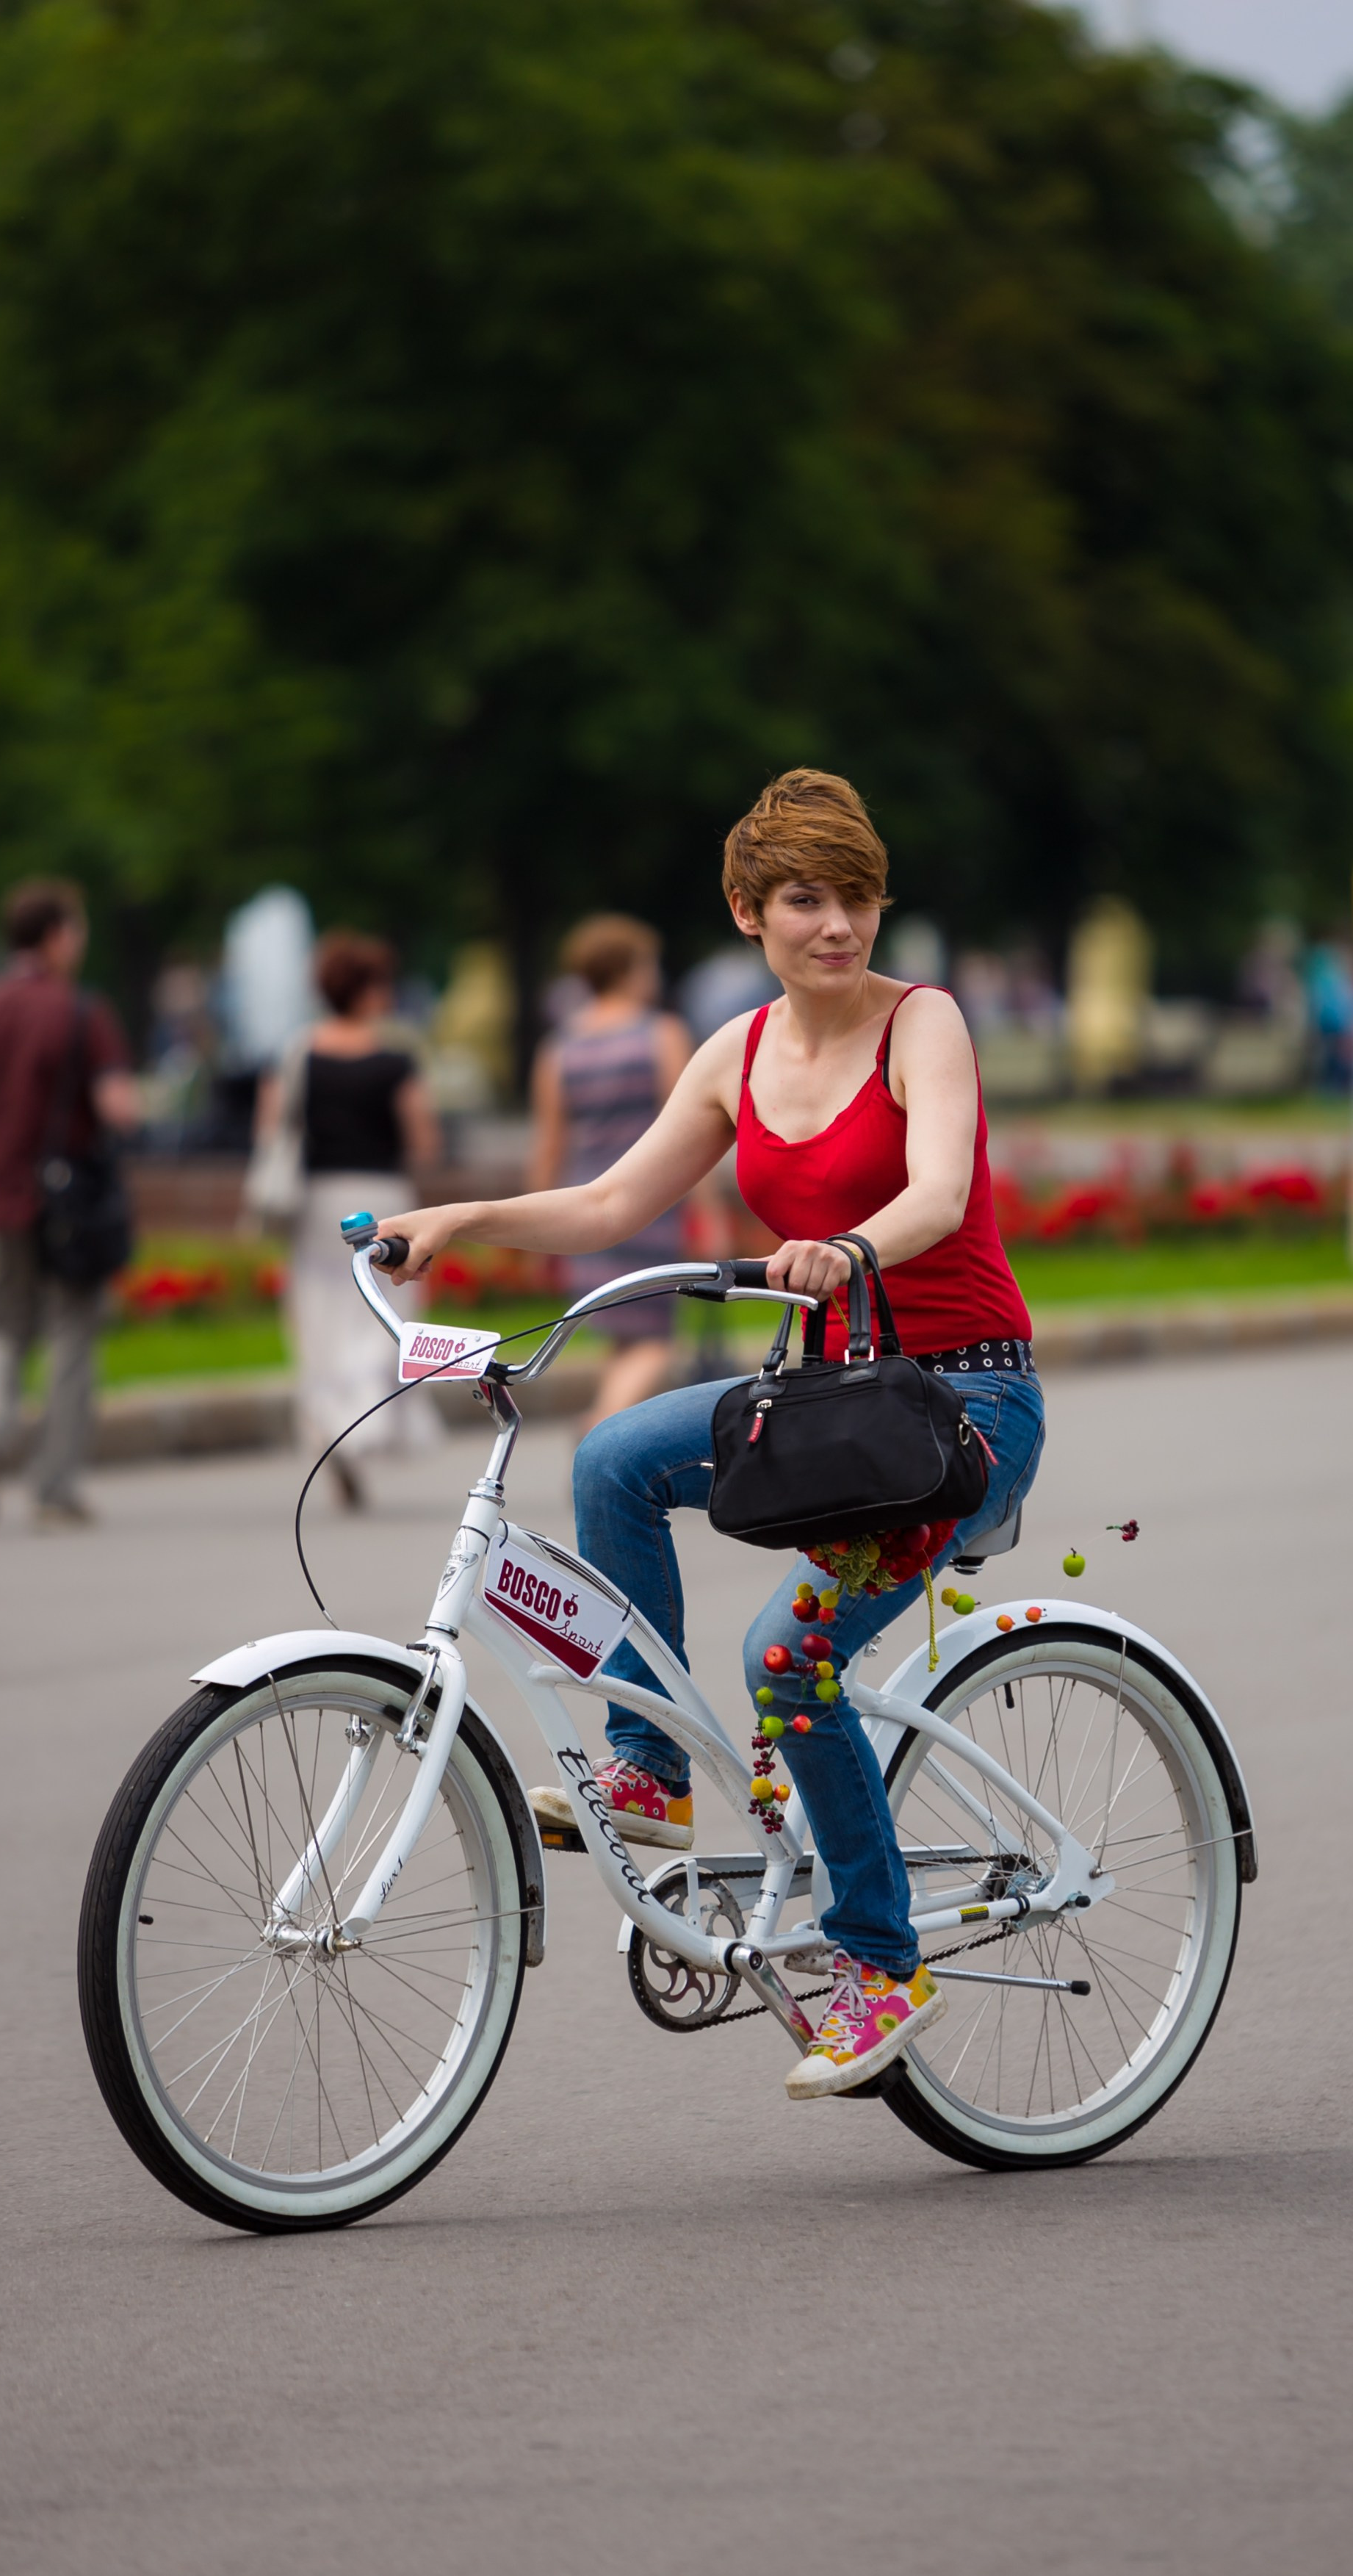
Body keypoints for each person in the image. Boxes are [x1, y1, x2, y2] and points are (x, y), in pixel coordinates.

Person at [378, 770, 1044, 2102]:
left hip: (961, 1405)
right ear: (747, 909)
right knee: (615, 1455)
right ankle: (650, 1773)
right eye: (806, 899)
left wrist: (849, 1248)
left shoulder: (925, 1027)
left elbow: (942, 1190)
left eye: (858, 897)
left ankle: (877, 1963)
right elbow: (614, 1195)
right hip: (832, 1397)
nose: (838, 925)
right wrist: (460, 1217)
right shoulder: (731, 1056)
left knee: (786, 1660)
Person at [0, 880, 142, 1525]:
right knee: (72, 1334)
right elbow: (119, 1107)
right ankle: (53, 1488)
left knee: (2, 1327)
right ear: (57, 936)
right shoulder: (81, 1013)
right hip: (71, 1205)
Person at [255, 930, 443, 1509]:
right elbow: (423, 1137)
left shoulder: (298, 1051)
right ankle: (364, 1422)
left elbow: (270, 1127)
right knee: (385, 1309)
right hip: (382, 1196)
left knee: (320, 1316)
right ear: (366, 990)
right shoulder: (393, 1059)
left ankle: (328, 1422)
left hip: (318, 1201)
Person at [527, 915, 695, 1428]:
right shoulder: (659, 1033)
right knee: (654, 1339)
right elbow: (690, 1126)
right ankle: (601, 1419)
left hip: (585, 1200)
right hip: (652, 1201)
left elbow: (549, 1146)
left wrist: (538, 1230)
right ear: (630, 969)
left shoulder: (559, 1048)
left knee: (621, 1330)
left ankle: (611, 1426)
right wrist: (706, 1208)